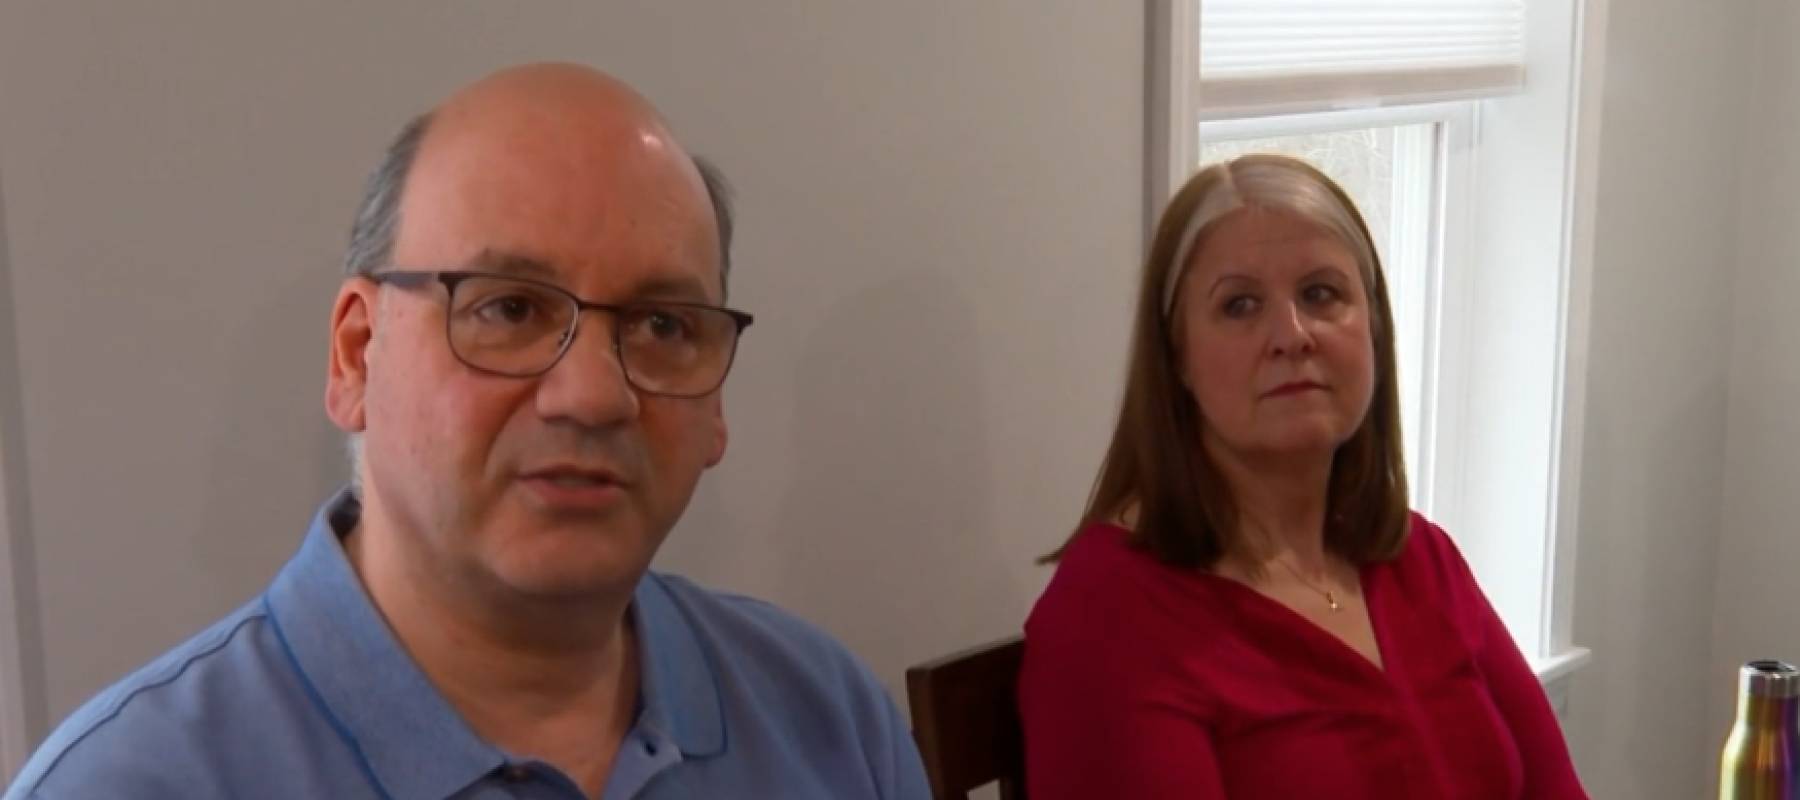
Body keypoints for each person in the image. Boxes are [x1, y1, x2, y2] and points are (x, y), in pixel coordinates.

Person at [5, 63, 928, 800]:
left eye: (661, 327)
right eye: (510, 309)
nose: (592, 397)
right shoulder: (130, 782)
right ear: (357, 356)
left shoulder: (829, 718)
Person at [1017, 154, 1588, 798]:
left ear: (1372, 326)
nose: (1291, 335)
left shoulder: (1420, 560)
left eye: (1321, 294)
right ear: (1175, 355)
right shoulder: (1110, 617)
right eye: (1239, 306)